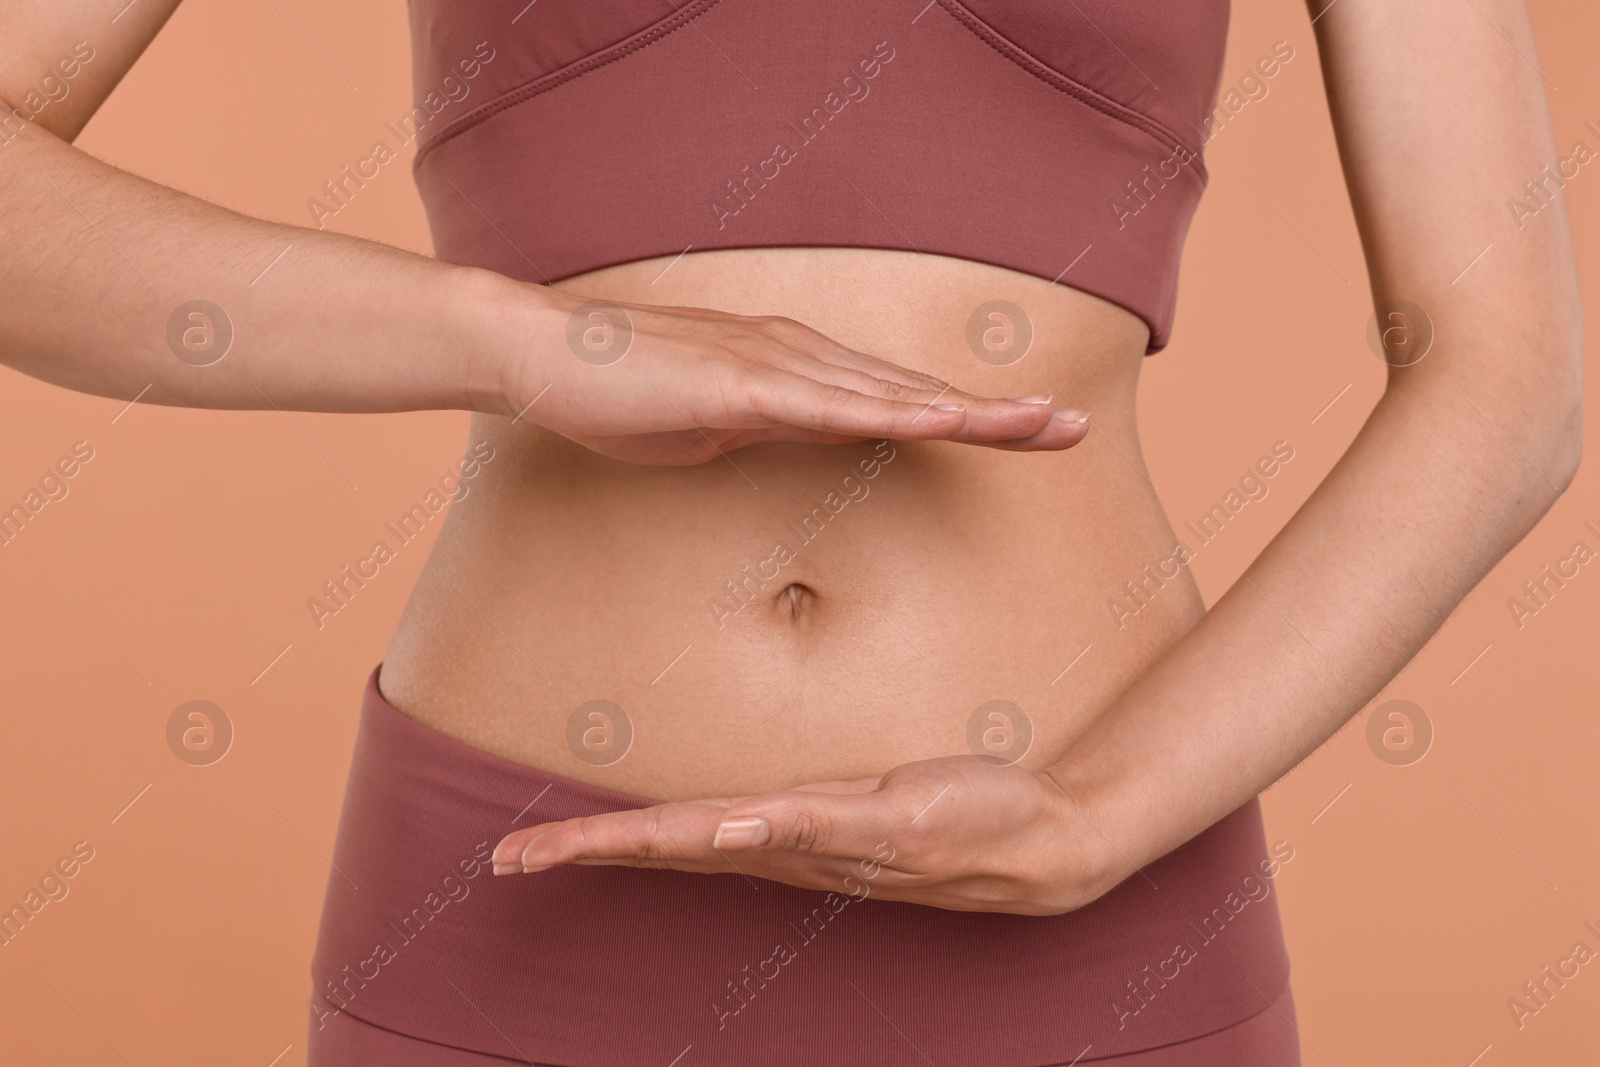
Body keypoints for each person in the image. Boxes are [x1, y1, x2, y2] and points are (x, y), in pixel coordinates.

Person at [1, 1, 1580, 1064]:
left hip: (1095, 912)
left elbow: (1505, 377)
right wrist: (533, 348)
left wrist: (1101, 810)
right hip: (521, 905)